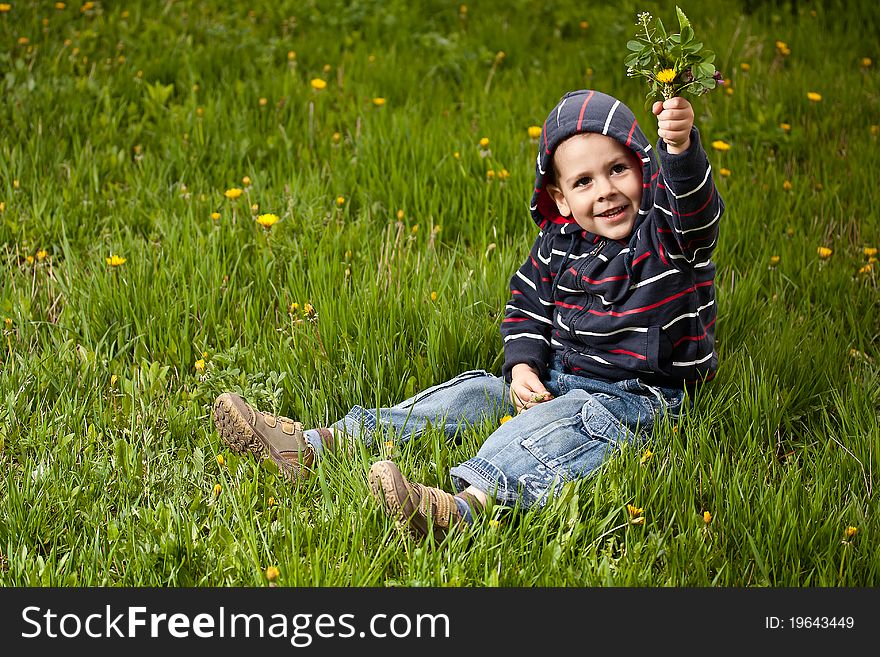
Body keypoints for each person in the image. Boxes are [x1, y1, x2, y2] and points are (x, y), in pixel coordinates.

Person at [212, 89, 725, 541]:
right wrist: (523, 367)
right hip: (556, 376)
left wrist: (679, 148)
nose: (606, 190)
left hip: (634, 399)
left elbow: (695, 214)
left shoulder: (664, 238)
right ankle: (313, 445)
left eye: (618, 169)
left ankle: (461, 509)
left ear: (644, 168)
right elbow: (526, 310)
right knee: (470, 394)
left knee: (549, 431)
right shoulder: (557, 245)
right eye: (584, 181)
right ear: (561, 199)